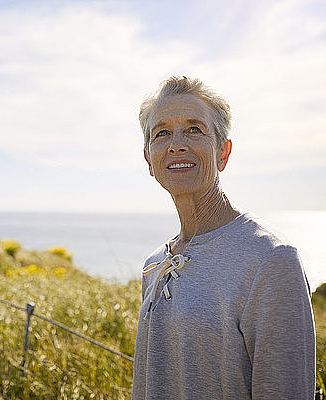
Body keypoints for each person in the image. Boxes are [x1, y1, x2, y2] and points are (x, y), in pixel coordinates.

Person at [132, 76, 316, 399]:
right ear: (149, 158)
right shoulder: (155, 266)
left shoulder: (271, 261)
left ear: (223, 152)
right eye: (162, 133)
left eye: (194, 129)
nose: (177, 143)